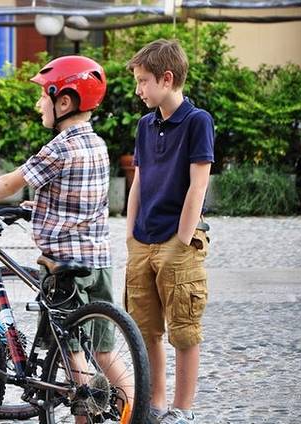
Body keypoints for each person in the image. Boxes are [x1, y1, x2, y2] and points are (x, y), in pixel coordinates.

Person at [0, 55, 131, 423]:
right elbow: (80, 198)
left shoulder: (60, 147)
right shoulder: (97, 145)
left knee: (71, 352)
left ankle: (84, 417)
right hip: (98, 260)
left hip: (64, 264)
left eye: (43, 96)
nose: (39, 103)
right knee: (103, 350)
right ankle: (137, 410)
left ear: (64, 102)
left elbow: (10, 181)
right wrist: (39, 205)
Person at [124, 39, 214, 424]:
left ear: (166, 78)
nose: (138, 90)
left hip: (178, 243)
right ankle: (156, 403)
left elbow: (198, 186)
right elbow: (139, 181)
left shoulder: (197, 121)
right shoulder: (145, 125)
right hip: (142, 241)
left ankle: (183, 410)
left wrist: (181, 239)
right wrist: (131, 234)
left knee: (184, 330)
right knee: (144, 331)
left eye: (143, 81)